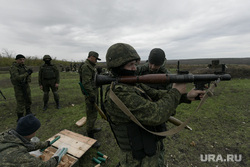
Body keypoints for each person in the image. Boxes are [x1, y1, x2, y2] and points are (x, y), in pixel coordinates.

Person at [103, 43, 205, 166]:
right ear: (118, 66)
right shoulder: (119, 92)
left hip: (149, 150)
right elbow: (156, 114)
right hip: (137, 159)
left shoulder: (130, 85)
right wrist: (176, 91)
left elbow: (155, 94)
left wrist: (185, 96)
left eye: (135, 64)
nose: (135, 68)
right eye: (131, 65)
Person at [79, 51, 102, 148]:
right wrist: (91, 95)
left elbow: (92, 79)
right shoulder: (86, 67)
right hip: (90, 94)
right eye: (96, 59)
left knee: (93, 113)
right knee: (91, 113)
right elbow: (86, 83)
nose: (96, 61)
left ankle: (91, 128)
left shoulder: (90, 66)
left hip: (93, 92)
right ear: (92, 57)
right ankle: (90, 136)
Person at [9, 54, 33, 121]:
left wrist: (28, 78)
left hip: (26, 85)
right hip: (19, 87)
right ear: (17, 60)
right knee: (20, 101)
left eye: (23, 59)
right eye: (20, 59)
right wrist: (27, 73)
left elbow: (28, 75)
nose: (22, 61)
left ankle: (28, 113)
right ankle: (20, 117)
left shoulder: (24, 67)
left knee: (28, 99)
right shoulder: (14, 68)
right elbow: (17, 78)